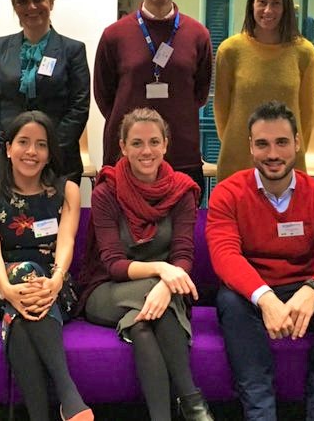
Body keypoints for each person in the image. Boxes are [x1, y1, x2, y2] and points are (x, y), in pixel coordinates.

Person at [206, 100, 314, 421]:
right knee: (229, 300)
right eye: (263, 144)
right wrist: (265, 298)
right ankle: (260, 415)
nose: (273, 153)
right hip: (252, 294)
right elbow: (225, 256)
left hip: (304, 291)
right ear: (250, 146)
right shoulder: (228, 193)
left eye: (282, 142)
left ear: (297, 143)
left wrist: (313, 289)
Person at [77, 108, 212, 421]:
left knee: (140, 326)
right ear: (123, 147)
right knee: (157, 304)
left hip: (165, 293)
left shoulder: (182, 191)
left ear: (165, 144)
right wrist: (162, 274)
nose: (146, 151)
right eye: (136, 143)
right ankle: (192, 402)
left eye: (154, 142)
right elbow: (113, 263)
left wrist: (166, 283)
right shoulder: (106, 191)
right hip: (108, 291)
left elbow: (183, 255)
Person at [0, 111, 92, 421]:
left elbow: (66, 242)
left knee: (22, 323)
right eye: (23, 142)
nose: (31, 151)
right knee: (26, 272)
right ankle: (69, 396)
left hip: (54, 286)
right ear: (8, 148)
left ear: (50, 153)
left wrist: (56, 279)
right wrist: (7, 289)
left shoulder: (67, 190)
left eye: (41, 144)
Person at [94, 0, 213, 187]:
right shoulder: (114, 35)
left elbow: (200, 95)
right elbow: (105, 97)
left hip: (181, 158)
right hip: (126, 161)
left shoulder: (198, 35)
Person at [0, 0, 90, 184]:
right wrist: (7, 150)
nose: (32, 7)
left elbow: (79, 107)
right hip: (3, 161)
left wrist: (48, 151)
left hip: (58, 163)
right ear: (15, 6)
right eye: (23, 1)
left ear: (51, 2)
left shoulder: (73, 50)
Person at [214, 0, 314, 181]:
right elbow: (221, 111)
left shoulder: (304, 52)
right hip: (237, 163)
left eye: (276, 3)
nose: (268, 10)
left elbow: (308, 114)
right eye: (262, 2)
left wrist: (288, 151)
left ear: (286, 7)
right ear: (252, 5)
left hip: (286, 165)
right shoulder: (230, 50)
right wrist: (239, 146)